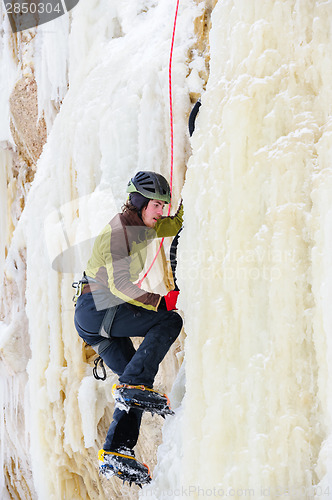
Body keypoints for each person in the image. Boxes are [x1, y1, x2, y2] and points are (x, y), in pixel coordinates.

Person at [74, 171, 183, 485]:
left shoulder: (139, 225)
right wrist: (160, 302)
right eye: (157, 205)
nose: (161, 210)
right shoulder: (123, 232)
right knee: (169, 321)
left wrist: (187, 205)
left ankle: (116, 451)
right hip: (99, 307)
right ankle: (131, 393)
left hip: (93, 318)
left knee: (136, 382)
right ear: (140, 202)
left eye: (164, 205)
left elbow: (170, 225)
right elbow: (119, 284)